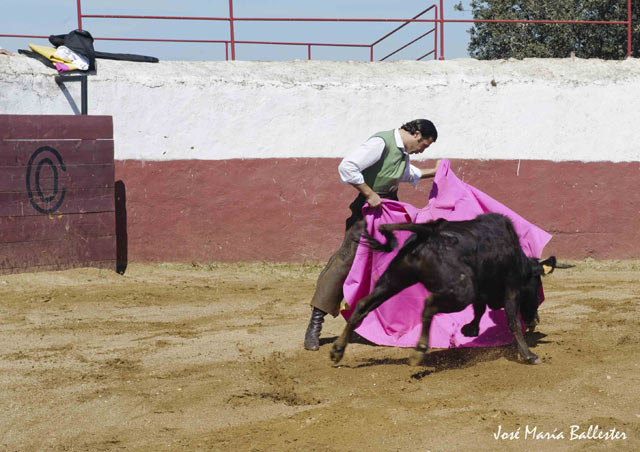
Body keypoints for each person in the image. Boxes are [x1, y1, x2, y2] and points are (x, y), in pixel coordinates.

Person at [304, 119, 439, 350]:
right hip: (367, 211)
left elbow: (406, 174)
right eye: (424, 145)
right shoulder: (381, 143)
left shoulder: (402, 152)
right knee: (346, 262)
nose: (422, 150)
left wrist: (436, 172)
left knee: (391, 266)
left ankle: (380, 325)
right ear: (416, 134)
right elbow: (347, 166)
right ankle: (315, 324)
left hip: (388, 211)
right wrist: (367, 193)